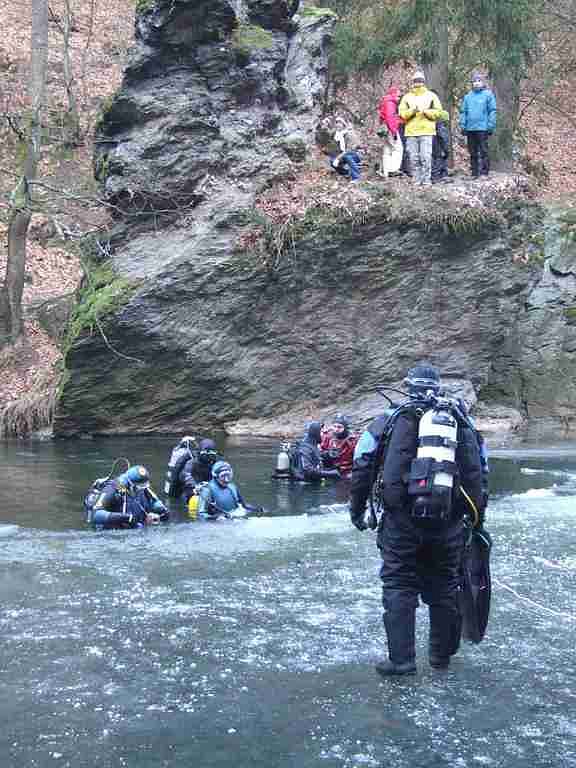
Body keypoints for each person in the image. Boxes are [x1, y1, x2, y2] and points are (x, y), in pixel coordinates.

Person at [349, 363, 485, 677]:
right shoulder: (461, 423)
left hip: (400, 522)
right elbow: (481, 471)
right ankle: (440, 658)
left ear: (408, 387)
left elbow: (362, 467)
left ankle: (402, 660)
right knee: (444, 587)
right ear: (436, 389)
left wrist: (357, 511)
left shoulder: (388, 420)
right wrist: (476, 522)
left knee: (399, 585)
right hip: (450, 522)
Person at [89, 465, 169, 529]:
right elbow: (96, 515)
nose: (141, 489)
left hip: (137, 527)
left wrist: (158, 516)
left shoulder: (144, 489)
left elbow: (163, 511)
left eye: (143, 486)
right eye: (139, 486)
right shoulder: (113, 488)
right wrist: (127, 518)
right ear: (131, 483)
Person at [399, 71, 443, 186]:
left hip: (427, 130)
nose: (417, 82)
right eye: (415, 80)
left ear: (423, 81)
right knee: (413, 157)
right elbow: (401, 113)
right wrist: (412, 111)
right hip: (411, 131)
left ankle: (426, 180)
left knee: (426, 156)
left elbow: (439, 112)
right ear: (412, 82)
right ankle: (416, 180)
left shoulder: (431, 96)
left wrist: (426, 112)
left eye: (420, 80)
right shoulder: (406, 97)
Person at [459, 73, 497, 179]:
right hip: (470, 128)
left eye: (479, 81)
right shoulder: (467, 97)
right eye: (474, 81)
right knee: (472, 151)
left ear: (483, 82)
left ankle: (484, 172)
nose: (476, 83)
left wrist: (491, 125)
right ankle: (474, 172)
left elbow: (492, 110)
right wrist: (463, 125)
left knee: (484, 150)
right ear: (472, 83)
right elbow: (463, 111)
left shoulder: (488, 95)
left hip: (482, 127)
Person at [197, 460, 262, 519]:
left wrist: (257, 509)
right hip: (218, 523)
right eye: (223, 476)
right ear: (216, 476)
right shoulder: (207, 490)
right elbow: (201, 514)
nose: (226, 479)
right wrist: (216, 518)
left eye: (228, 475)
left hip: (234, 517)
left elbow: (243, 505)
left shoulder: (232, 486)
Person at [179, 437, 220, 501]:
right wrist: (196, 486)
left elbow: (223, 474)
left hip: (209, 489)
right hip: (193, 490)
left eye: (211, 452)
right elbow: (186, 475)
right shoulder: (192, 463)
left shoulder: (216, 464)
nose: (208, 455)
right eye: (205, 452)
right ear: (200, 451)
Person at [377, 86, 404, 178]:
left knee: (387, 150)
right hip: (390, 129)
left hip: (384, 130)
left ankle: (385, 171)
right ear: (394, 94)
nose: (399, 98)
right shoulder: (390, 103)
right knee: (398, 149)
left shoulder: (385, 102)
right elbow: (390, 118)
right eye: (398, 95)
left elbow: (384, 117)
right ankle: (393, 169)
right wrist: (394, 131)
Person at [329, 117, 363, 183]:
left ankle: (356, 177)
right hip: (343, 155)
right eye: (337, 123)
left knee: (347, 156)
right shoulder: (336, 135)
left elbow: (349, 149)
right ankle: (346, 173)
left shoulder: (349, 133)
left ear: (343, 125)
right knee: (332, 160)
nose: (338, 125)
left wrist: (338, 158)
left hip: (356, 153)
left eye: (340, 123)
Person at [431, 110, 451, 184]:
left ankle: (442, 176)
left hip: (435, 148)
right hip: (440, 148)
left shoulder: (435, 126)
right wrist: (446, 149)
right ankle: (436, 177)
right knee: (439, 162)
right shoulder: (442, 128)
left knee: (438, 162)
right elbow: (444, 139)